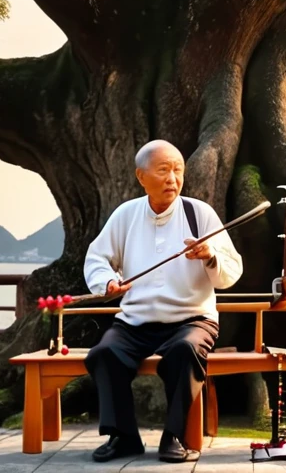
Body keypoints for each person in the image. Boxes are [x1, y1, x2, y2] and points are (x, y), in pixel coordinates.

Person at [82, 139, 244, 463]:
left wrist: (209, 255)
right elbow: (97, 259)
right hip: (134, 322)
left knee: (184, 351)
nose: (172, 178)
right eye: (163, 170)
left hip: (192, 320)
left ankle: (174, 436)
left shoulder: (200, 214)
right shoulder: (126, 215)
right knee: (103, 354)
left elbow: (232, 271)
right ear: (141, 177)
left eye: (178, 170)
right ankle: (124, 437)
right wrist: (107, 282)